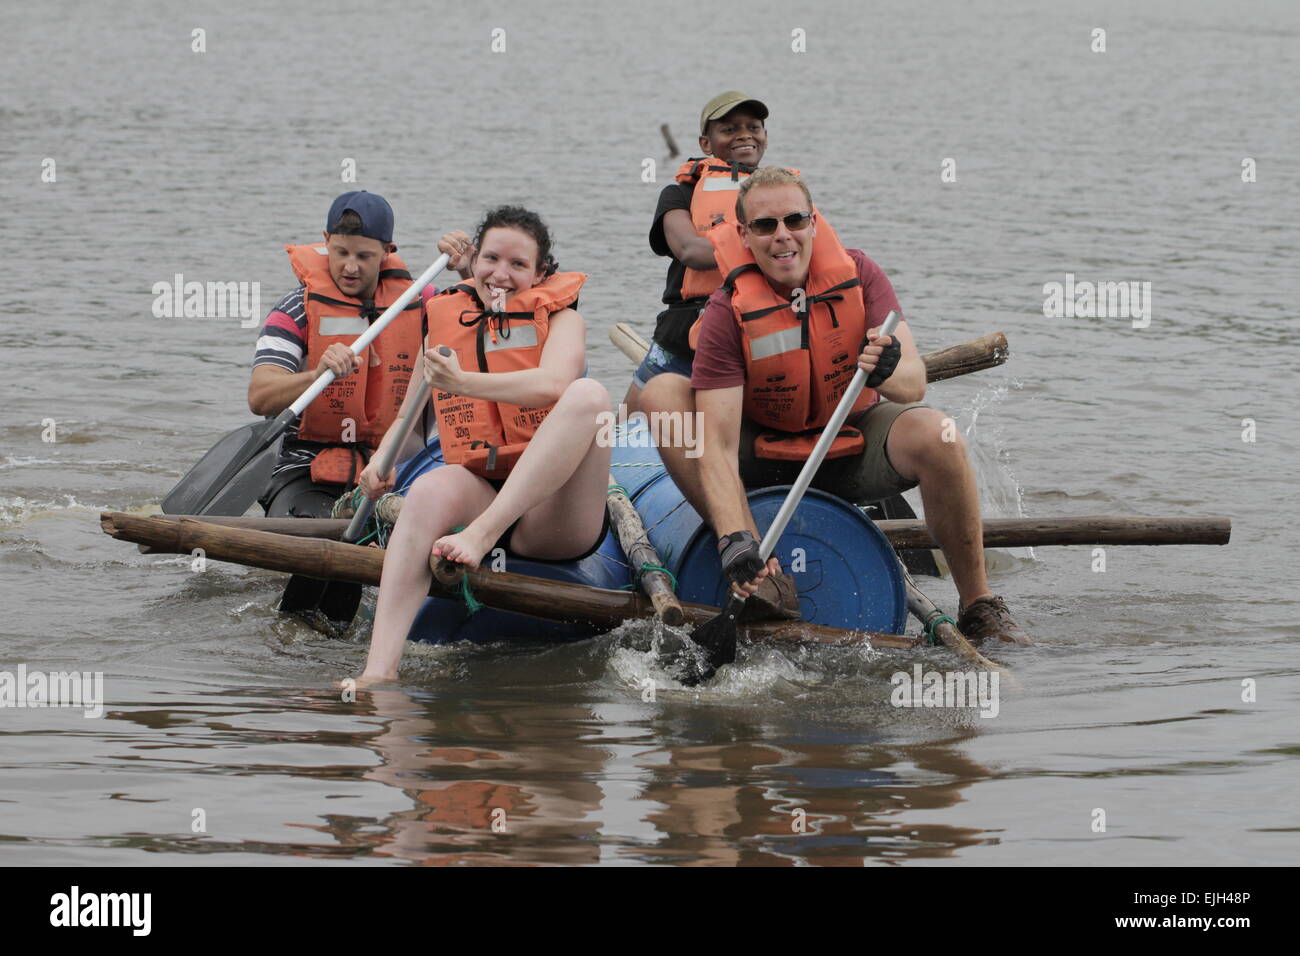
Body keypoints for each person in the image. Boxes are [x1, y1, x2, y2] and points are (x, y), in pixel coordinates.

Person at [639, 168, 1032, 644]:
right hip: (762, 454)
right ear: (744, 235)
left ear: (814, 222)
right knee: (659, 394)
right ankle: (755, 564)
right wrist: (735, 537)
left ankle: (978, 605)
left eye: (794, 220)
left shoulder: (860, 273)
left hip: (848, 441)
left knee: (941, 435)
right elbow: (718, 446)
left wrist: (888, 364)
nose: (782, 236)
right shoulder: (727, 310)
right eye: (765, 226)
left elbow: (913, 386)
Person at [355, 206, 613, 682]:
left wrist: (464, 381)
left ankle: (481, 535)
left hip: (550, 520)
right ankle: (378, 671)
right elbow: (411, 423)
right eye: (492, 258)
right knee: (430, 488)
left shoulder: (563, 318)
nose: (502, 274)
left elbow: (555, 384)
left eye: (518, 265)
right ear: (473, 261)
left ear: (541, 274)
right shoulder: (446, 319)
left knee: (589, 395)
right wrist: (381, 462)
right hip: (480, 489)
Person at [248, 191, 460, 623]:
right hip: (306, 472)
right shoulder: (295, 310)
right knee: (324, 534)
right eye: (340, 252)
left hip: (391, 470)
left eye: (364, 256)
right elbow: (259, 396)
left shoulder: (425, 303)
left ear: (388, 251)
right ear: (325, 240)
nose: (349, 266)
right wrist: (316, 374)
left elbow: (487, 311)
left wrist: (469, 263)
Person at [622, 91, 774, 414]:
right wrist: (765, 248)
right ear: (705, 143)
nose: (745, 135)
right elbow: (691, 251)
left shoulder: (781, 196)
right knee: (625, 430)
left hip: (754, 331)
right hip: (682, 336)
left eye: (754, 127)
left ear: (765, 136)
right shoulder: (678, 194)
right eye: (729, 129)